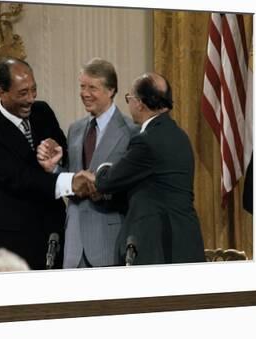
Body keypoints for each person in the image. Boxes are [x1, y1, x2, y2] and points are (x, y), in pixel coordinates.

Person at [87, 72, 205, 265]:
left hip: (159, 246)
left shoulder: (147, 141)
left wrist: (101, 169)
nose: (129, 104)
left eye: (129, 98)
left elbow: (106, 181)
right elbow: (152, 187)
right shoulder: (181, 136)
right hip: (186, 243)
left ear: (140, 103)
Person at [36, 58, 138, 268]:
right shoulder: (76, 129)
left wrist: (103, 190)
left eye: (92, 87)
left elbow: (133, 187)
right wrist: (54, 168)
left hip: (107, 240)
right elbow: (74, 180)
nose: (84, 93)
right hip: (73, 243)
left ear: (111, 90)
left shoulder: (130, 131)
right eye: (82, 86)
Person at [0, 58, 67, 270]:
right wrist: (70, 182)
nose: (31, 99)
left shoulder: (42, 112)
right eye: (23, 93)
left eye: (34, 90)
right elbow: (20, 180)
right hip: (13, 239)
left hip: (54, 229)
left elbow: (65, 152)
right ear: (1, 92)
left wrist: (57, 152)